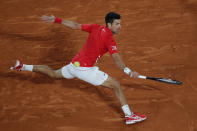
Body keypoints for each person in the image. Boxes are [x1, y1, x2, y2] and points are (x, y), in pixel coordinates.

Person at [10, 12, 147, 124]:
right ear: (109, 24)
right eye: (117, 24)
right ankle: (129, 116)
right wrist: (128, 71)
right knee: (116, 85)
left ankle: (23, 66)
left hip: (74, 65)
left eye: (120, 23)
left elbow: (75, 25)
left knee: (53, 73)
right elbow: (116, 58)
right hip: (84, 69)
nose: (119, 26)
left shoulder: (95, 27)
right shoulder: (109, 38)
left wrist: (56, 19)